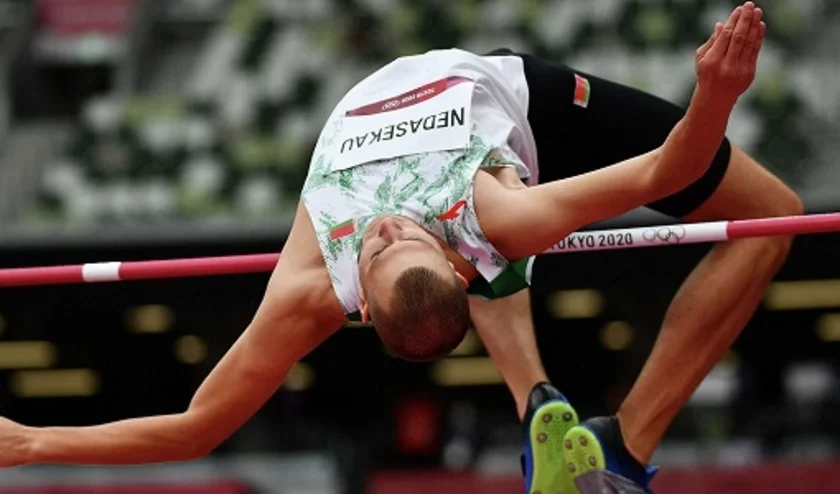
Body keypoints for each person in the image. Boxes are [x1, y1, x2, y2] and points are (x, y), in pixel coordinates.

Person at [0, 3, 800, 494]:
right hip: (524, 111)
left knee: (514, 235)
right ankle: (612, 447)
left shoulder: (313, 279)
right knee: (772, 214)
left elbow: (197, 426)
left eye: (383, 248)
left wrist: (33, 443)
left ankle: (553, 413)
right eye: (398, 243)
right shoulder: (489, 219)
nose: (385, 229)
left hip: (476, 128)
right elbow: (668, 167)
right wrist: (716, 95)